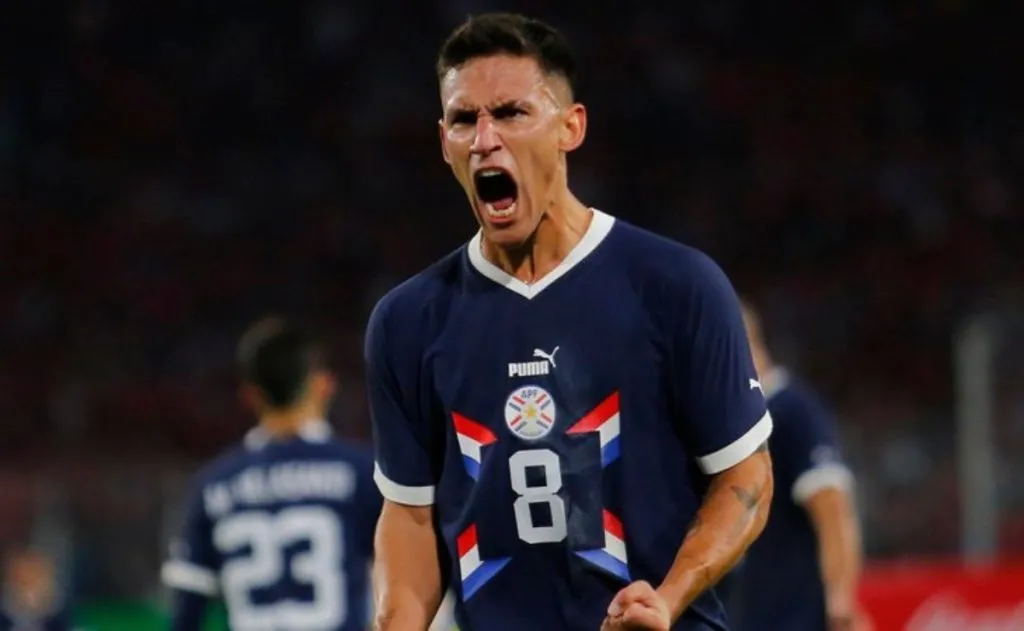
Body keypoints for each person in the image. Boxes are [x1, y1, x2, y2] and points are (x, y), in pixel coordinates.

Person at [365, 12, 774, 631]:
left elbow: (747, 477)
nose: (484, 140)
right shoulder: (406, 323)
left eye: (510, 113)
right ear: (443, 140)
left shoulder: (675, 287)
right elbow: (411, 515)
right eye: (463, 119)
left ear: (570, 127)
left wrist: (667, 596)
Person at [161, 318, 381, 631]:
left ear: (250, 394)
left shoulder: (213, 485)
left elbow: (186, 612)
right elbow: (414, 581)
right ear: (323, 385)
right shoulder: (362, 474)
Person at [724, 300, 870, 631]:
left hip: (795, 617)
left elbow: (833, 508)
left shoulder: (793, 411)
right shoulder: (742, 418)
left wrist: (841, 600)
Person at [0, 548, 73, 631]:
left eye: (34, 581)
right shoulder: (4, 618)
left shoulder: (60, 619)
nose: (28, 593)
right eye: (23, 583)